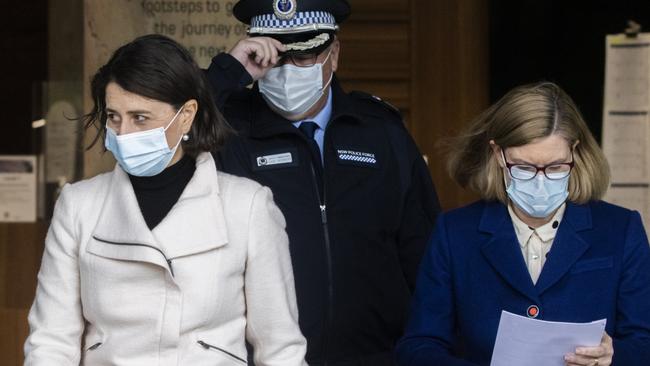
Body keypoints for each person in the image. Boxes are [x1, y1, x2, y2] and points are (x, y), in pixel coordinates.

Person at [24, 34, 307, 366]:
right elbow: (51, 342)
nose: (123, 133)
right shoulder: (78, 206)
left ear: (186, 115)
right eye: (114, 116)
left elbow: (280, 349)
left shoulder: (247, 206)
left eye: (140, 117)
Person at [206, 0, 440, 364]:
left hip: (377, 356)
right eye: (274, 58)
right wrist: (225, 74)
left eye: (302, 57)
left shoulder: (380, 131)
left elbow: (424, 253)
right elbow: (165, 136)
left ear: (334, 53)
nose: (286, 71)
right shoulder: (225, 130)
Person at [395, 82, 650, 366]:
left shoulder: (620, 229)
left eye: (555, 167)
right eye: (524, 168)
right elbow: (419, 346)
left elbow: (644, 342)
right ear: (498, 155)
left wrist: (613, 356)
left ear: (575, 153)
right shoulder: (455, 233)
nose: (540, 181)